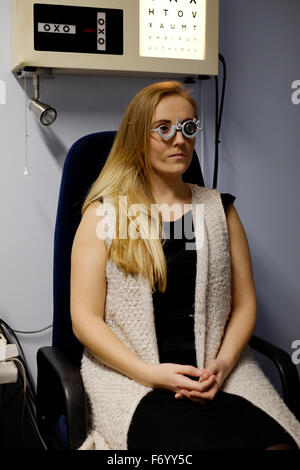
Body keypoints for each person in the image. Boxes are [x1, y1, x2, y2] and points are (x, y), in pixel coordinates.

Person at [70, 81, 300, 450]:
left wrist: (222, 366)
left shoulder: (218, 211)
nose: (180, 139)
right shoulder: (104, 215)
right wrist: (151, 374)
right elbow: (84, 320)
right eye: (164, 128)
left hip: (216, 374)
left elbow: (244, 305)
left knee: (279, 444)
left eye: (189, 127)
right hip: (137, 378)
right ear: (137, 137)